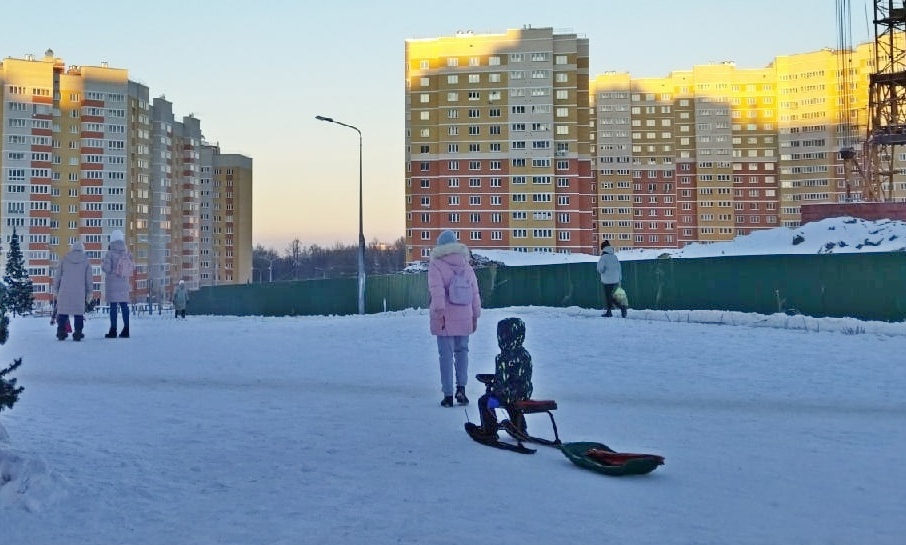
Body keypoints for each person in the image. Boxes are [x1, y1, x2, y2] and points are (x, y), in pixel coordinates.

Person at [428, 229, 481, 407]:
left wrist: (439, 313)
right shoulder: (466, 265)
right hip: (465, 315)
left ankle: (448, 395)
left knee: (445, 355)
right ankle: (462, 390)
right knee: (462, 352)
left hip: (445, 318)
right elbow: (475, 293)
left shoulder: (436, 265)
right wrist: (476, 315)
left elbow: (437, 292)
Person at [474, 317, 533, 439]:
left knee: (486, 401)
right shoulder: (525, 354)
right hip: (524, 393)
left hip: (507, 395)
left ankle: (489, 431)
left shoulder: (503, 358)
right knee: (512, 404)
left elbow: (503, 380)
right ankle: (521, 428)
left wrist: (493, 386)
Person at [52, 241, 92, 341]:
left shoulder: (65, 258)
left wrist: (55, 288)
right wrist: (89, 293)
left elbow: (57, 275)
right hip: (79, 292)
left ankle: (61, 331)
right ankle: (78, 332)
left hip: (64, 290)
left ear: (72, 248)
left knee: (62, 312)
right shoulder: (86, 260)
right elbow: (89, 279)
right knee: (78, 313)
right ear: (82, 249)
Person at [101, 229, 132, 338]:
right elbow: (132, 266)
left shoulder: (110, 253)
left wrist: (102, 262)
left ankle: (113, 330)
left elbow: (107, 268)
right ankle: (126, 329)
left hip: (113, 284)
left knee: (113, 306)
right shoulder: (127, 252)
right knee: (124, 306)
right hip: (124, 283)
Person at [596, 240, 626, 318]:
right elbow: (619, 267)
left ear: (603, 248)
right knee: (611, 296)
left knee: (609, 297)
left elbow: (600, 269)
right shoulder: (614, 256)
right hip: (616, 279)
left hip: (607, 280)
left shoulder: (603, 257)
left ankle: (621, 307)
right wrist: (619, 278)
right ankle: (609, 311)